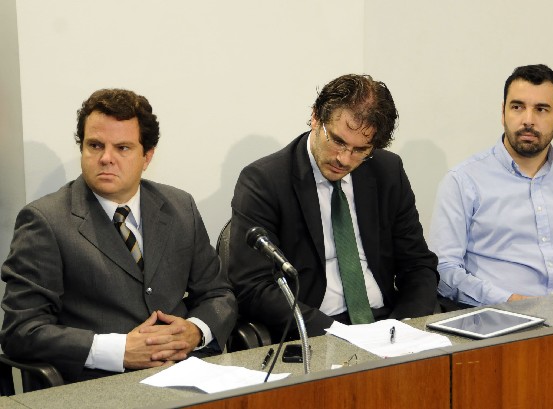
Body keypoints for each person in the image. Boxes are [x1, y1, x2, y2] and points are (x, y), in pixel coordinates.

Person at [0, 89, 237, 382]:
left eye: (122, 148)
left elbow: (219, 294)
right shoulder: (45, 220)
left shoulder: (179, 207)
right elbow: (21, 330)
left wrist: (195, 331)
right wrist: (119, 350)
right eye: (95, 145)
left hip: (186, 373)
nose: (106, 158)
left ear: (147, 156)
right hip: (100, 384)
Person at [229, 74, 439, 339]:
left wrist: (404, 328)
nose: (344, 159)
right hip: (317, 330)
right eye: (338, 141)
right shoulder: (265, 181)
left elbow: (418, 264)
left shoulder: (387, 171)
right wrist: (339, 335)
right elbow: (253, 287)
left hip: (386, 324)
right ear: (316, 117)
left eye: (360, 150)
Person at [429, 64, 553, 308]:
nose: (528, 120)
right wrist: (507, 301)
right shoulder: (463, 181)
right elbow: (445, 270)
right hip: (501, 319)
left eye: (541, 109)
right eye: (517, 107)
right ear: (503, 113)